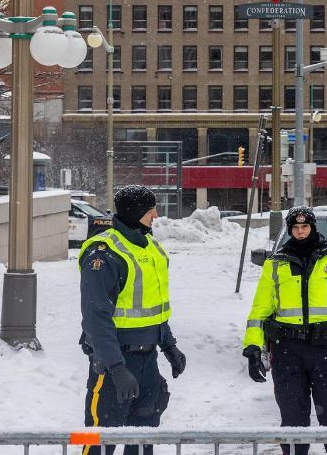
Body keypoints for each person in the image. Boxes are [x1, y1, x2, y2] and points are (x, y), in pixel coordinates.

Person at [242, 206, 327, 455]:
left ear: (313, 227)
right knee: (293, 417)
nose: (301, 231)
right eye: (295, 227)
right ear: (289, 230)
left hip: (325, 347)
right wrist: (252, 347)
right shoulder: (275, 264)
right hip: (287, 350)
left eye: (305, 227)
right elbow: (260, 311)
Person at [79, 185, 186, 455]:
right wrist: (116, 368)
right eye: (151, 210)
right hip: (114, 364)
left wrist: (169, 345)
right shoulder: (104, 253)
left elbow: (154, 307)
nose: (156, 215)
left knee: (142, 441)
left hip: (147, 362)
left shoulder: (149, 248)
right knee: (99, 442)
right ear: (136, 212)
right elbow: (96, 319)